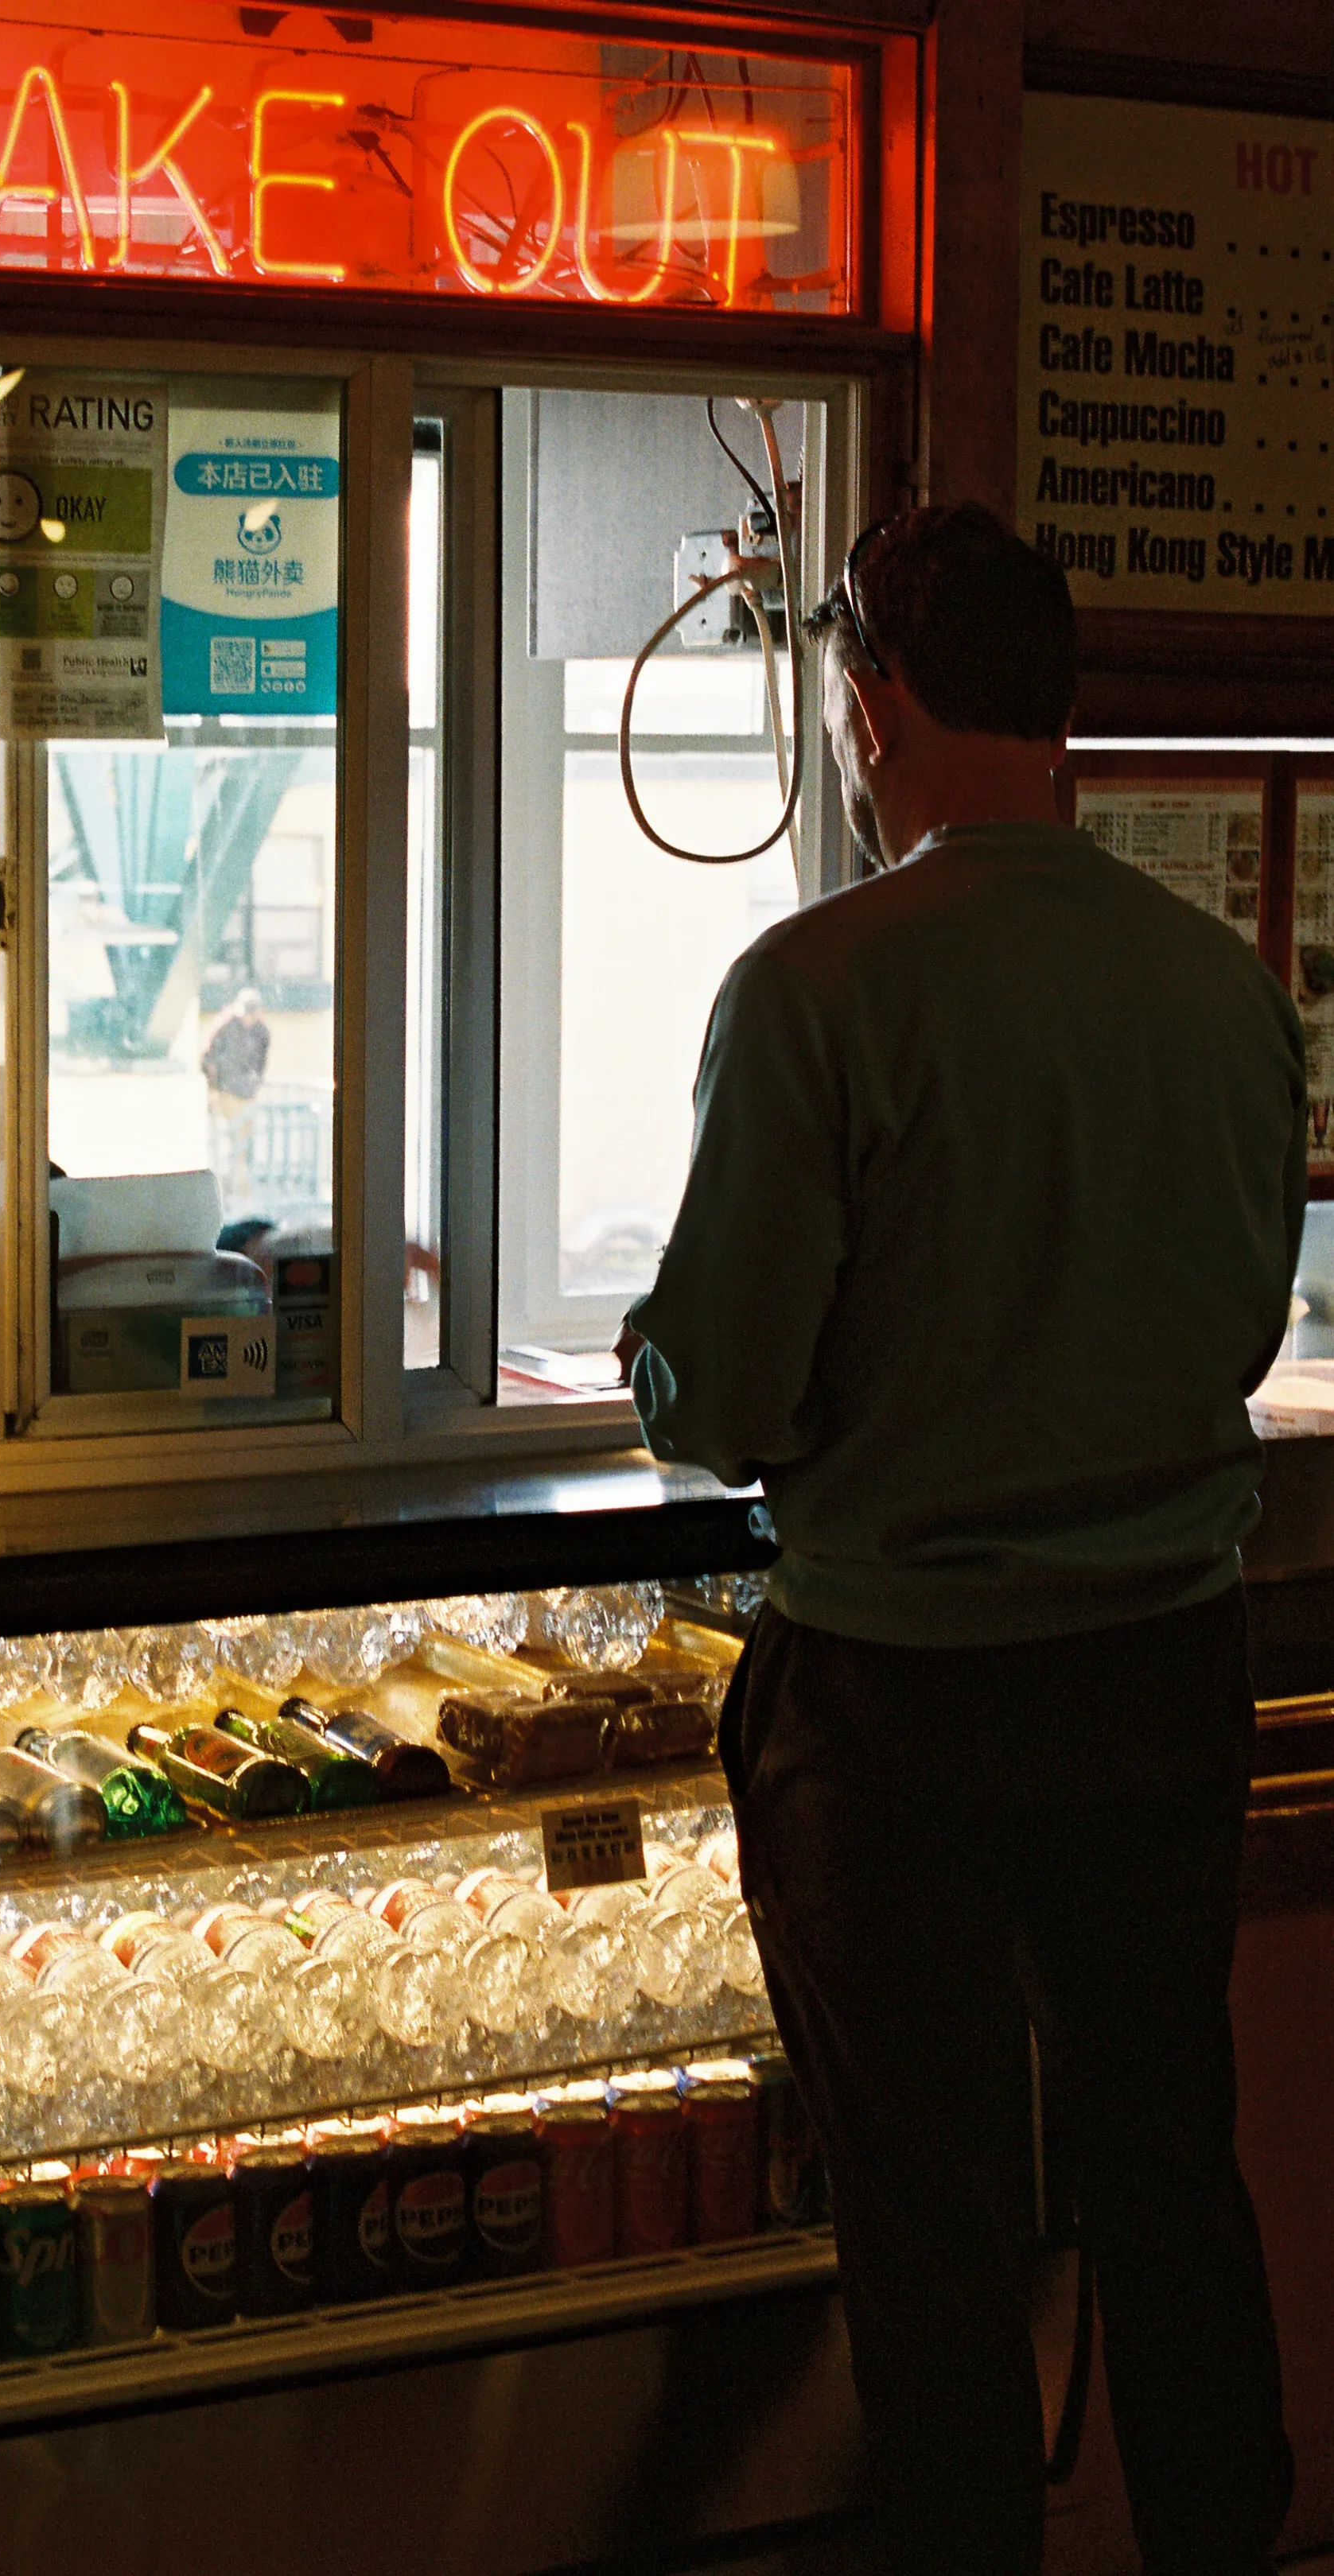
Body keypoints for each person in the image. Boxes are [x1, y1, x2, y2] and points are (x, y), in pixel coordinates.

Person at [618, 505, 1302, 2576]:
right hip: (1169, 1660)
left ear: (872, 701)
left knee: (930, 2221)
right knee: (1167, 2172)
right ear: (1064, 705)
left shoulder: (813, 984)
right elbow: (1242, 1321)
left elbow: (720, 1399)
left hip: (896, 1696)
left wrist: (668, 1365)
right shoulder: (1217, 987)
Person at [202, 989, 270, 1201]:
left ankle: (241, 1190)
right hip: (228, 1093)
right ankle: (239, 1193)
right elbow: (206, 1059)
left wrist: (255, 1083)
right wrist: (215, 1087)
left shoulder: (262, 1032)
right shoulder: (225, 1028)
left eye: (253, 1013)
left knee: (246, 1143)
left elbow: (261, 1063)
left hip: (248, 1094)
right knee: (235, 1142)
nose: (249, 1018)